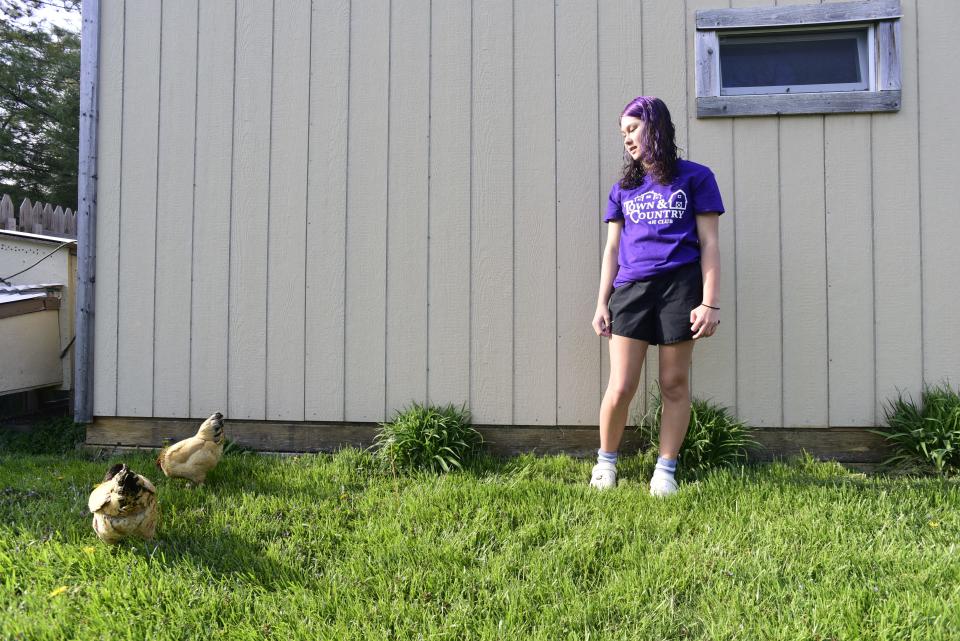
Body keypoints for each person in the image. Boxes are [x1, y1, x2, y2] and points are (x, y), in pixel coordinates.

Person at [590, 96, 724, 497]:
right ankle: (606, 464)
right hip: (630, 291)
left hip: (680, 290)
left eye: (632, 129)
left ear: (654, 126)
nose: (627, 139)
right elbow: (612, 249)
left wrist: (710, 301)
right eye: (622, 134)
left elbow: (710, 243)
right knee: (621, 385)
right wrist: (601, 302)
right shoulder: (624, 189)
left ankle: (665, 470)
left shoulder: (696, 178)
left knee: (674, 383)